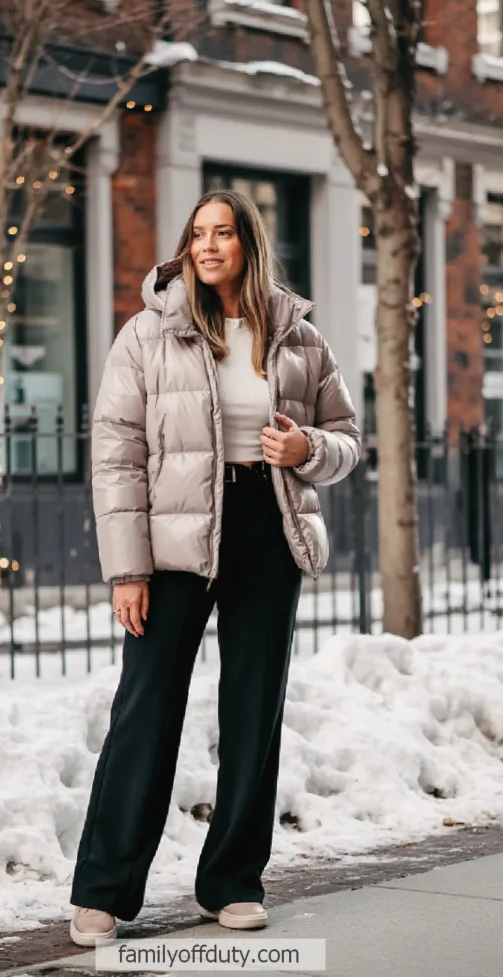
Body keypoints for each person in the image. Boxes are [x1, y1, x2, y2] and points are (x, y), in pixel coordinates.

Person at [69, 190, 361, 945]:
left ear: (247, 243)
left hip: (266, 530)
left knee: (252, 711)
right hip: (170, 543)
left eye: (222, 232)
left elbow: (346, 438)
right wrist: (125, 570)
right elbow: (116, 454)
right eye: (196, 233)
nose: (206, 245)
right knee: (145, 707)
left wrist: (308, 451)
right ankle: (103, 890)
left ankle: (231, 882)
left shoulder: (298, 337)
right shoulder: (148, 334)